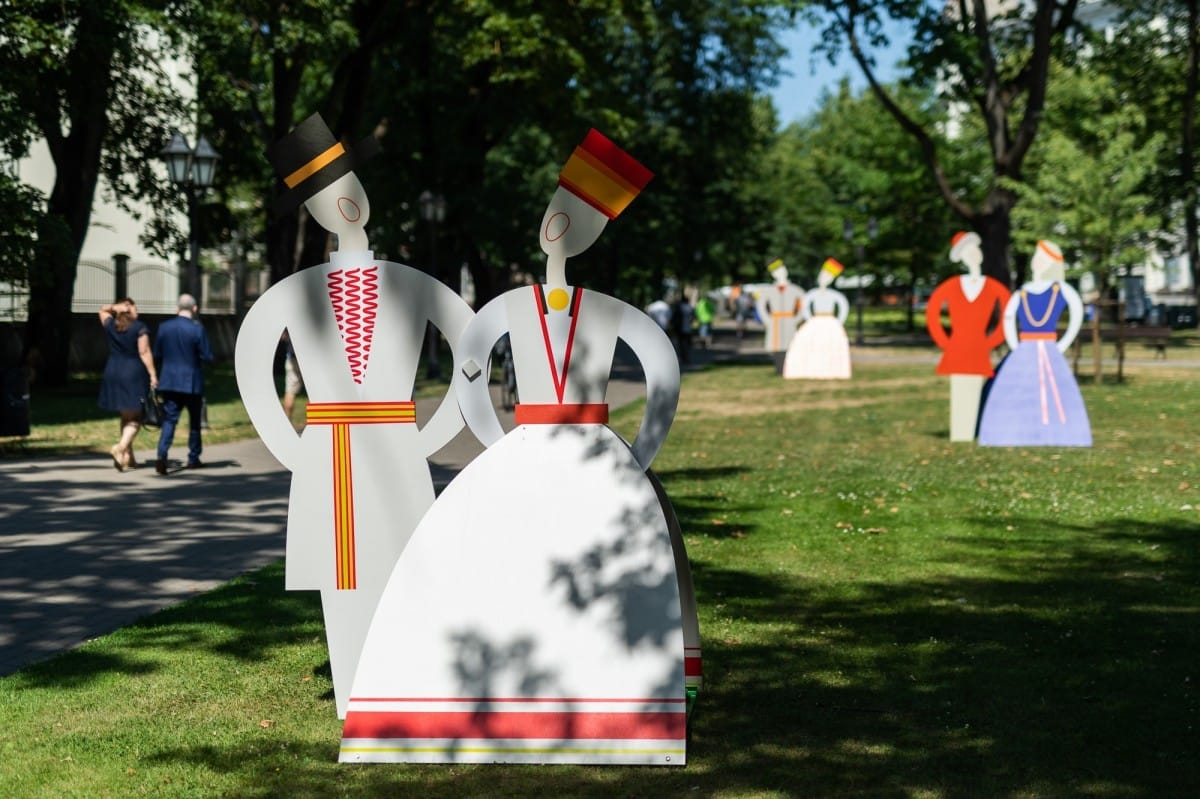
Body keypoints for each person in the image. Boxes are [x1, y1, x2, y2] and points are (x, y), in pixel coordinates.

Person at [342, 129, 696, 765]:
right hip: (543, 444)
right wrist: (499, 443)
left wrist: (639, 457)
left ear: (589, 233)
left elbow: (661, 372)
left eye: (575, 217)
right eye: (557, 207)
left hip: (582, 446)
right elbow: (472, 371)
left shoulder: (601, 310)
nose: (556, 225)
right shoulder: (514, 306)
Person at [235, 113, 473, 720]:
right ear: (312, 213)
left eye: (349, 190)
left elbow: (472, 348)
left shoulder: (411, 284)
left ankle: (401, 673)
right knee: (339, 575)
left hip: (394, 444)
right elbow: (250, 367)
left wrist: (435, 433)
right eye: (325, 199)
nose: (343, 206)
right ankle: (352, 688)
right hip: (332, 451)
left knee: (405, 556)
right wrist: (290, 447)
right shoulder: (294, 292)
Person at [978, 239, 1092, 447]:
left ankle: (1058, 432)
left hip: (1049, 347)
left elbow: (1077, 316)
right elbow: (1009, 318)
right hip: (1025, 348)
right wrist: (1015, 346)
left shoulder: (1061, 290)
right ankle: (1011, 431)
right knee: (1017, 392)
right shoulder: (1024, 291)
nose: (1037, 261)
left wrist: (1062, 344)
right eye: (1036, 256)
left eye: (1042, 257)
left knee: (1053, 392)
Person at [925, 231, 1011, 441]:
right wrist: (945, 342)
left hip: (979, 348)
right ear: (961, 257)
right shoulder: (952, 285)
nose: (974, 254)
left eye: (976, 249)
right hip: (957, 347)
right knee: (959, 389)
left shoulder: (992, 287)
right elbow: (933, 312)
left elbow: (1007, 314)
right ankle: (960, 431)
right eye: (968, 251)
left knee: (974, 387)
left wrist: (993, 340)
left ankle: (969, 430)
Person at [153, 293, 213, 473]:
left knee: (170, 419)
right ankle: (193, 457)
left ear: (176, 308)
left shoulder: (164, 327)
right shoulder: (197, 329)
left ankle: (162, 455)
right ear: (195, 309)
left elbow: (157, 353)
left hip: (170, 380)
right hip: (192, 382)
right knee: (194, 421)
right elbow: (207, 355)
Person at [97, 298, 157, 471]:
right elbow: (144, 352)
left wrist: (114, 308)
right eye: (134, 307)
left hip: (113, 371)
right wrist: (153, 374)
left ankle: (128, 457)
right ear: (129, 310)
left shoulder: (111, 325)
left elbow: (102, 311)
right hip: (133, 373)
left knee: (126, 415)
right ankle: (120, 447)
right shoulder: (139, 327)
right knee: (136, 417)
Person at [782, 257, 851, 379]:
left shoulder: (833, 295)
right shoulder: (813, 294)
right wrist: (810, 319)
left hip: (829, 322)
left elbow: (843, 307)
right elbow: (805, 307)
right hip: (816, 322)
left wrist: (837, 322)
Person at [755, 259, 805, 370]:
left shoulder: (795, 290)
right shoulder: (768, 291)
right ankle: (779, 367)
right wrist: (767, 320)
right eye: (777, 271)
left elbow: (803, 305)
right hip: (775, 321)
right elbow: (761, 306)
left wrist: (797, 318)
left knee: (790, 343)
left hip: (789, 320)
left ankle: (790, 367)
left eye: (782, 270)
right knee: (776, 346)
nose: (781, 273)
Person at [280, 332, 304, 426]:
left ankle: (286, 426)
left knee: (290, 391)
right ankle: (319, 426)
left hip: (292, 357)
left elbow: (283, 337)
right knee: (316, 391)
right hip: (312, 356)